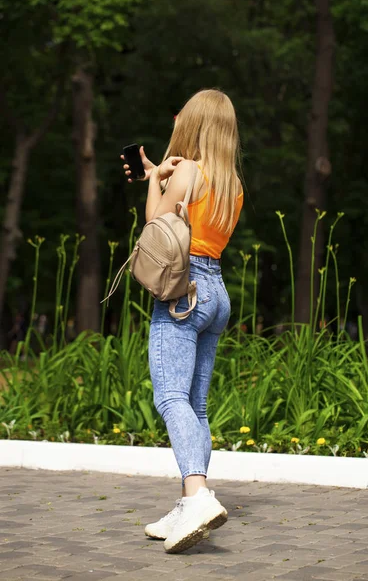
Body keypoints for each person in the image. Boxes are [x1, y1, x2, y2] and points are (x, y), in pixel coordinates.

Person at [121, 89, 243, 554]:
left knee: (170, 397)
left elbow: (157, 222)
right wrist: (160, 173)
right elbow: (192, 214)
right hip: (217, 293)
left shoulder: (187, 171)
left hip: (183, 295)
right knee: (197, 406)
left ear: (191, 124)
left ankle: (197, 496)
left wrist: (156, 182)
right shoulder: (230, 184)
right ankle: (188, 500)